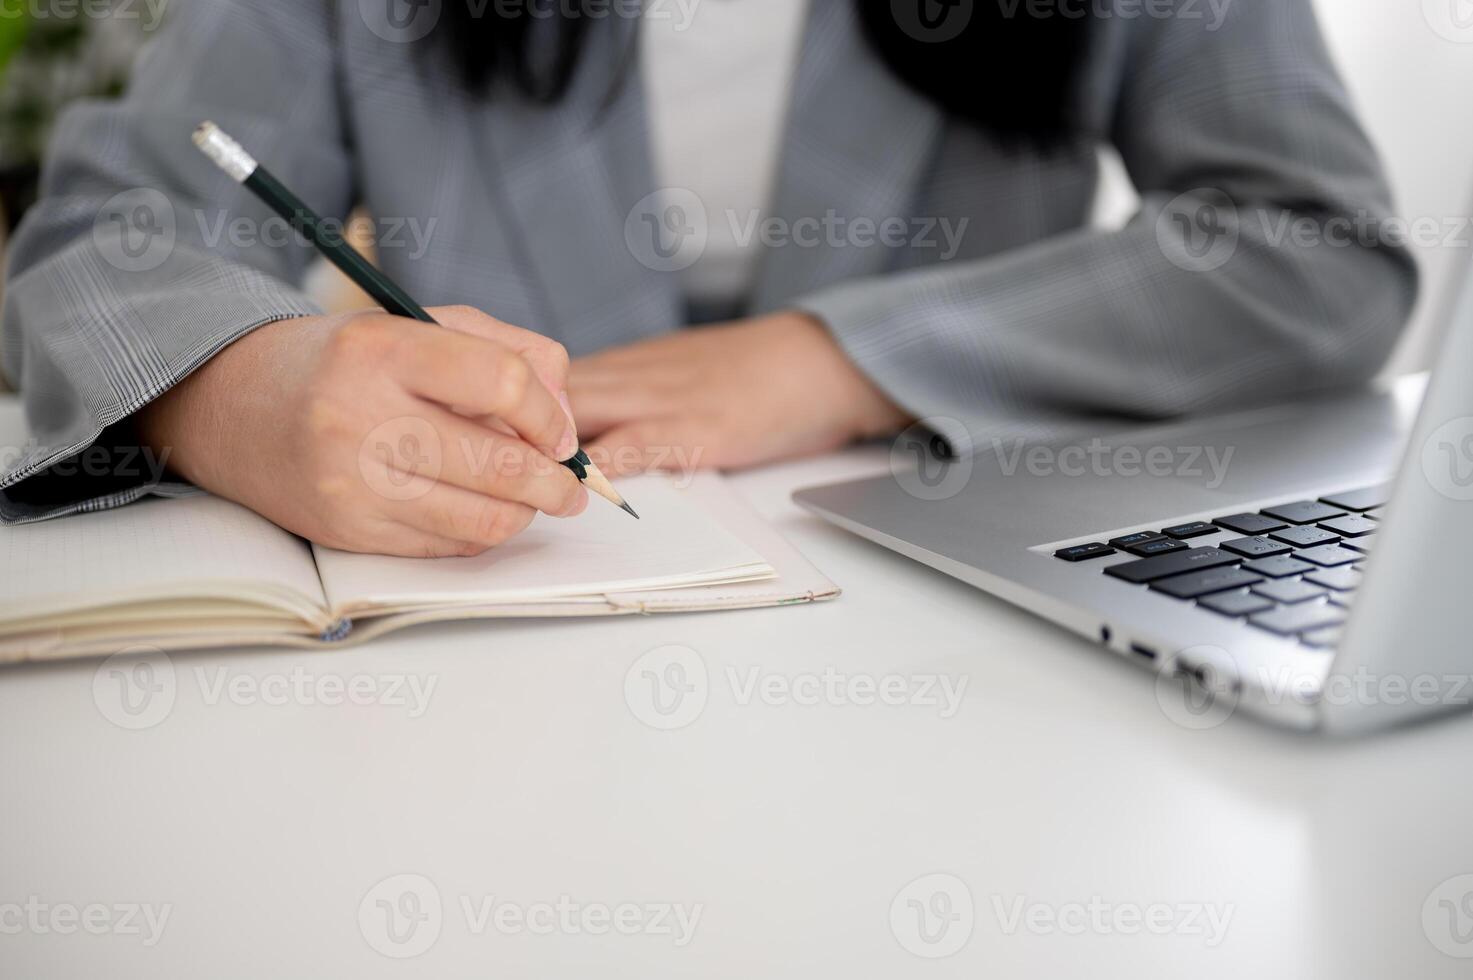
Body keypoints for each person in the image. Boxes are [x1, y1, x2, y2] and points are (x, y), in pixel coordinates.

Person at [0, 0, 1416, 557]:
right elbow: (110, 229)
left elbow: (1318, 243)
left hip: (964, 667)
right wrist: (245, 389)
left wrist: (838, 359)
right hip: (477, 703)